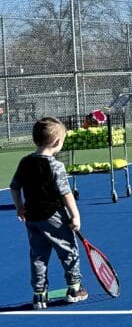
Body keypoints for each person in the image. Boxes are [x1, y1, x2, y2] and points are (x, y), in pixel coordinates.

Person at [10, 117, 88, 309]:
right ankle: (74, 288)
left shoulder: (25, 162)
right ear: (56, 142)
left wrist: (20, 206)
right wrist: (75, 215)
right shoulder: (56, 166)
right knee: (69, 251)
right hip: (54, 217)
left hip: (32, 217)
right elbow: (65, 193)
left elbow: (14, 187)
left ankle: (39, 295)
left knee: (38, 256)